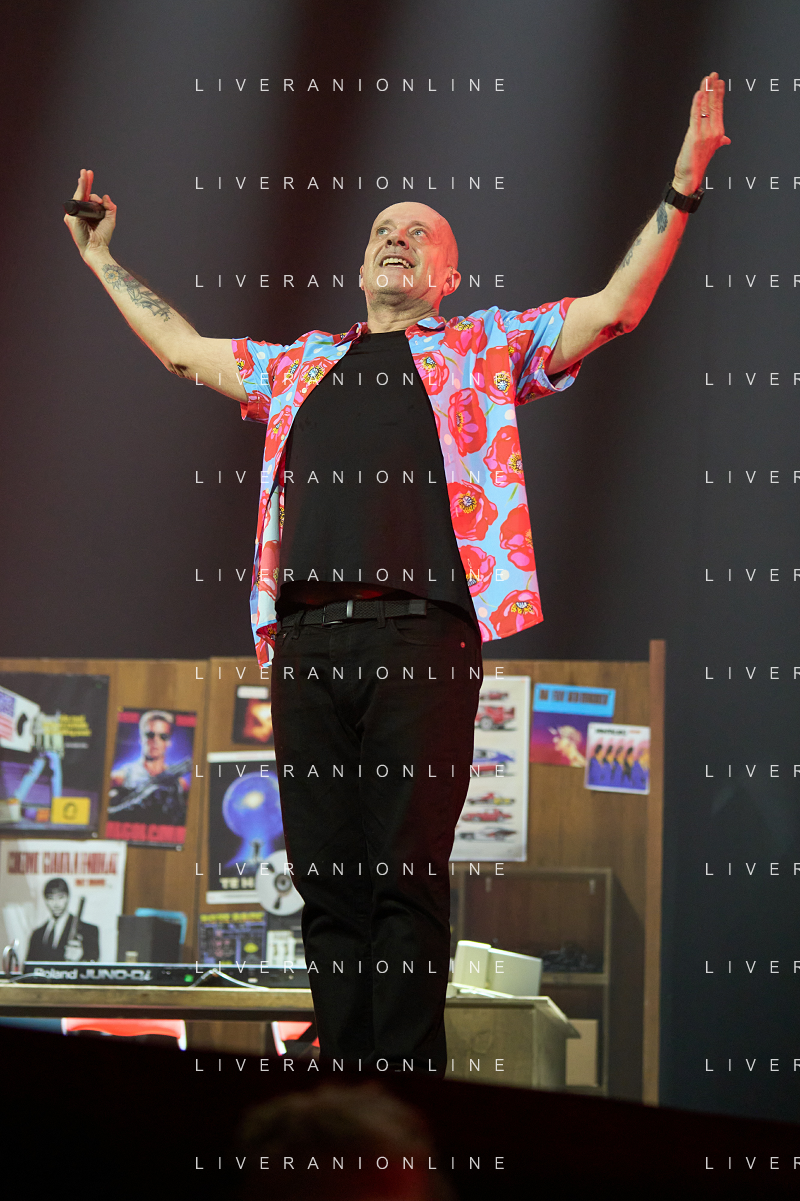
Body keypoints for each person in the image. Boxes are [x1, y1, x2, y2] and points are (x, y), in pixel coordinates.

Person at [64, 74, 729, 1071]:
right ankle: (344, 1089)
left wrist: (683, 181)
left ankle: (407, 1103)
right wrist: (101, 258)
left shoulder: (478, 348)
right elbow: (183, 352)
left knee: (404, 878)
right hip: (304, 642)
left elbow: (614, 311)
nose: (396, 238)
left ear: (448, 274)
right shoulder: (302, 364)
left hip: (421, 637)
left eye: (419, 233)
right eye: (383, 228)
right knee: (326, 885)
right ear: (360, 261)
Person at [108, 709, 188, 825]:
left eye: (163, 736)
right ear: (141, 738)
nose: (155, 740)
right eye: (150, 735)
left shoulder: (180, 784)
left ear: (169, 742)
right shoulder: (120, 778)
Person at [27, 877, 100, 962]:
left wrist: (80, 959)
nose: (56, 904)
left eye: (61, 897)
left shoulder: (88, 931)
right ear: (45, 900)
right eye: (50, 898)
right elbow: (29, 967)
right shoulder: (37, 935)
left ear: (68, 897)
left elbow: (93, 965)